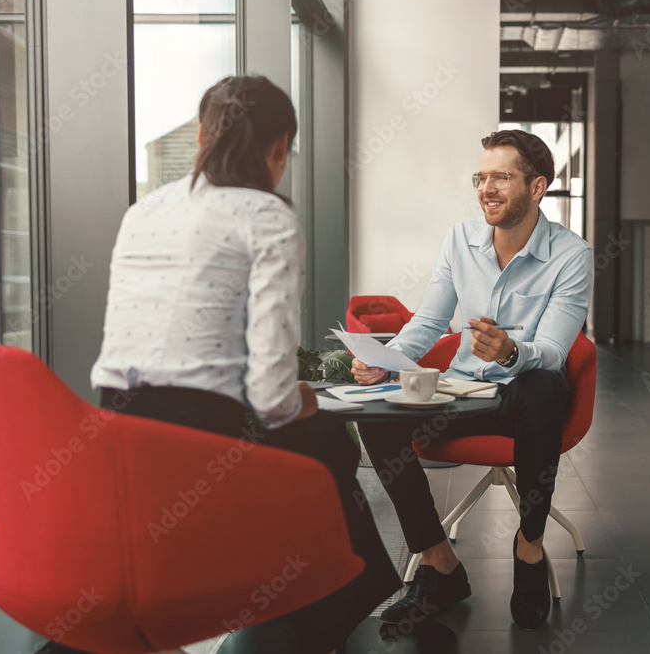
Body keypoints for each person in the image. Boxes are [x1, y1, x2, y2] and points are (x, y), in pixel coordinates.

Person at [90, 75, 400, 654]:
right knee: (331, 442)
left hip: (118, 445)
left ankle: (309, 602)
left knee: (322, 447)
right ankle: (314, 609)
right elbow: (273, 397)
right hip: (200, 450)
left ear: (204, 135)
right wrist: (308, 396)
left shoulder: (145, 210)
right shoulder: (267, 217)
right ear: (280, 149)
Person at [351, 129, 594, 630]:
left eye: (502, 177)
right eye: (481, 177)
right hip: (463, 394)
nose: (487, 187)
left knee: (543, 387)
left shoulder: (572, 255)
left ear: (537, 187)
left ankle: (529, 549)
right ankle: (440, 565)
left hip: (524, 398)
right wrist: (386, 359)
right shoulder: (460, 239)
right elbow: (430, 321)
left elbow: (552, 352)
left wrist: (511, 352)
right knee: (377, 416)